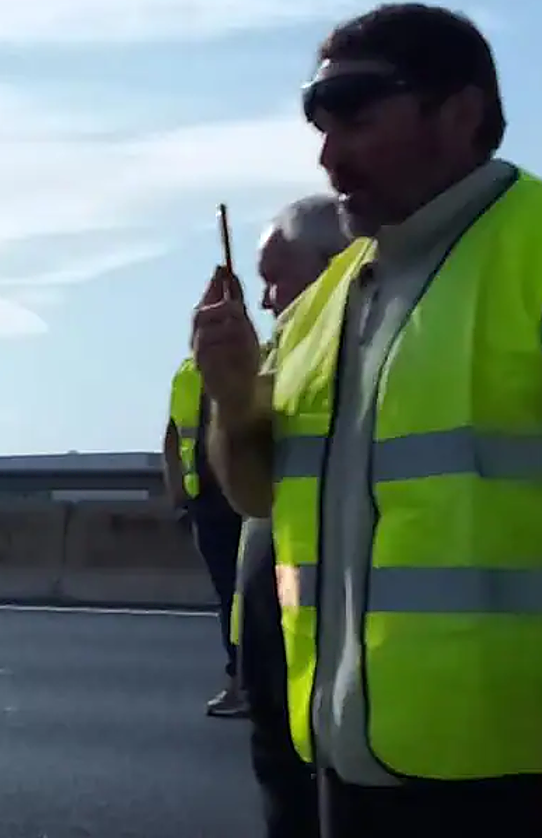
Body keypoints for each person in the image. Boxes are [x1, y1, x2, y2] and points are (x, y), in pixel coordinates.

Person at [193, 4, 542, 836]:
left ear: (459, 114)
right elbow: (256, 496)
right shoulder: (327, 303)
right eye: (321, 128)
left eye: (357, 120)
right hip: (349, 764)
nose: (329, 156)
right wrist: (235, 398)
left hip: (512, 775)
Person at [233, 194, 350, 838]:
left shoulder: (360, 358)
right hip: (282, 635)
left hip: (332, 647)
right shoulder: (284, 357)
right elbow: (251, 492)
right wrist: (232, 390)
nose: (266, 300)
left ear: (335, 266)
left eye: (276, 278)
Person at [164, 349, 246, 717]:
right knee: (230, 597)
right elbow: (174, 437)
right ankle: (240, 681)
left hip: (247, 503)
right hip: (207, 505)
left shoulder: (253, 362)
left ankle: (254, 683)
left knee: (258, 598)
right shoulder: (185, 376)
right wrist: (179, 498)